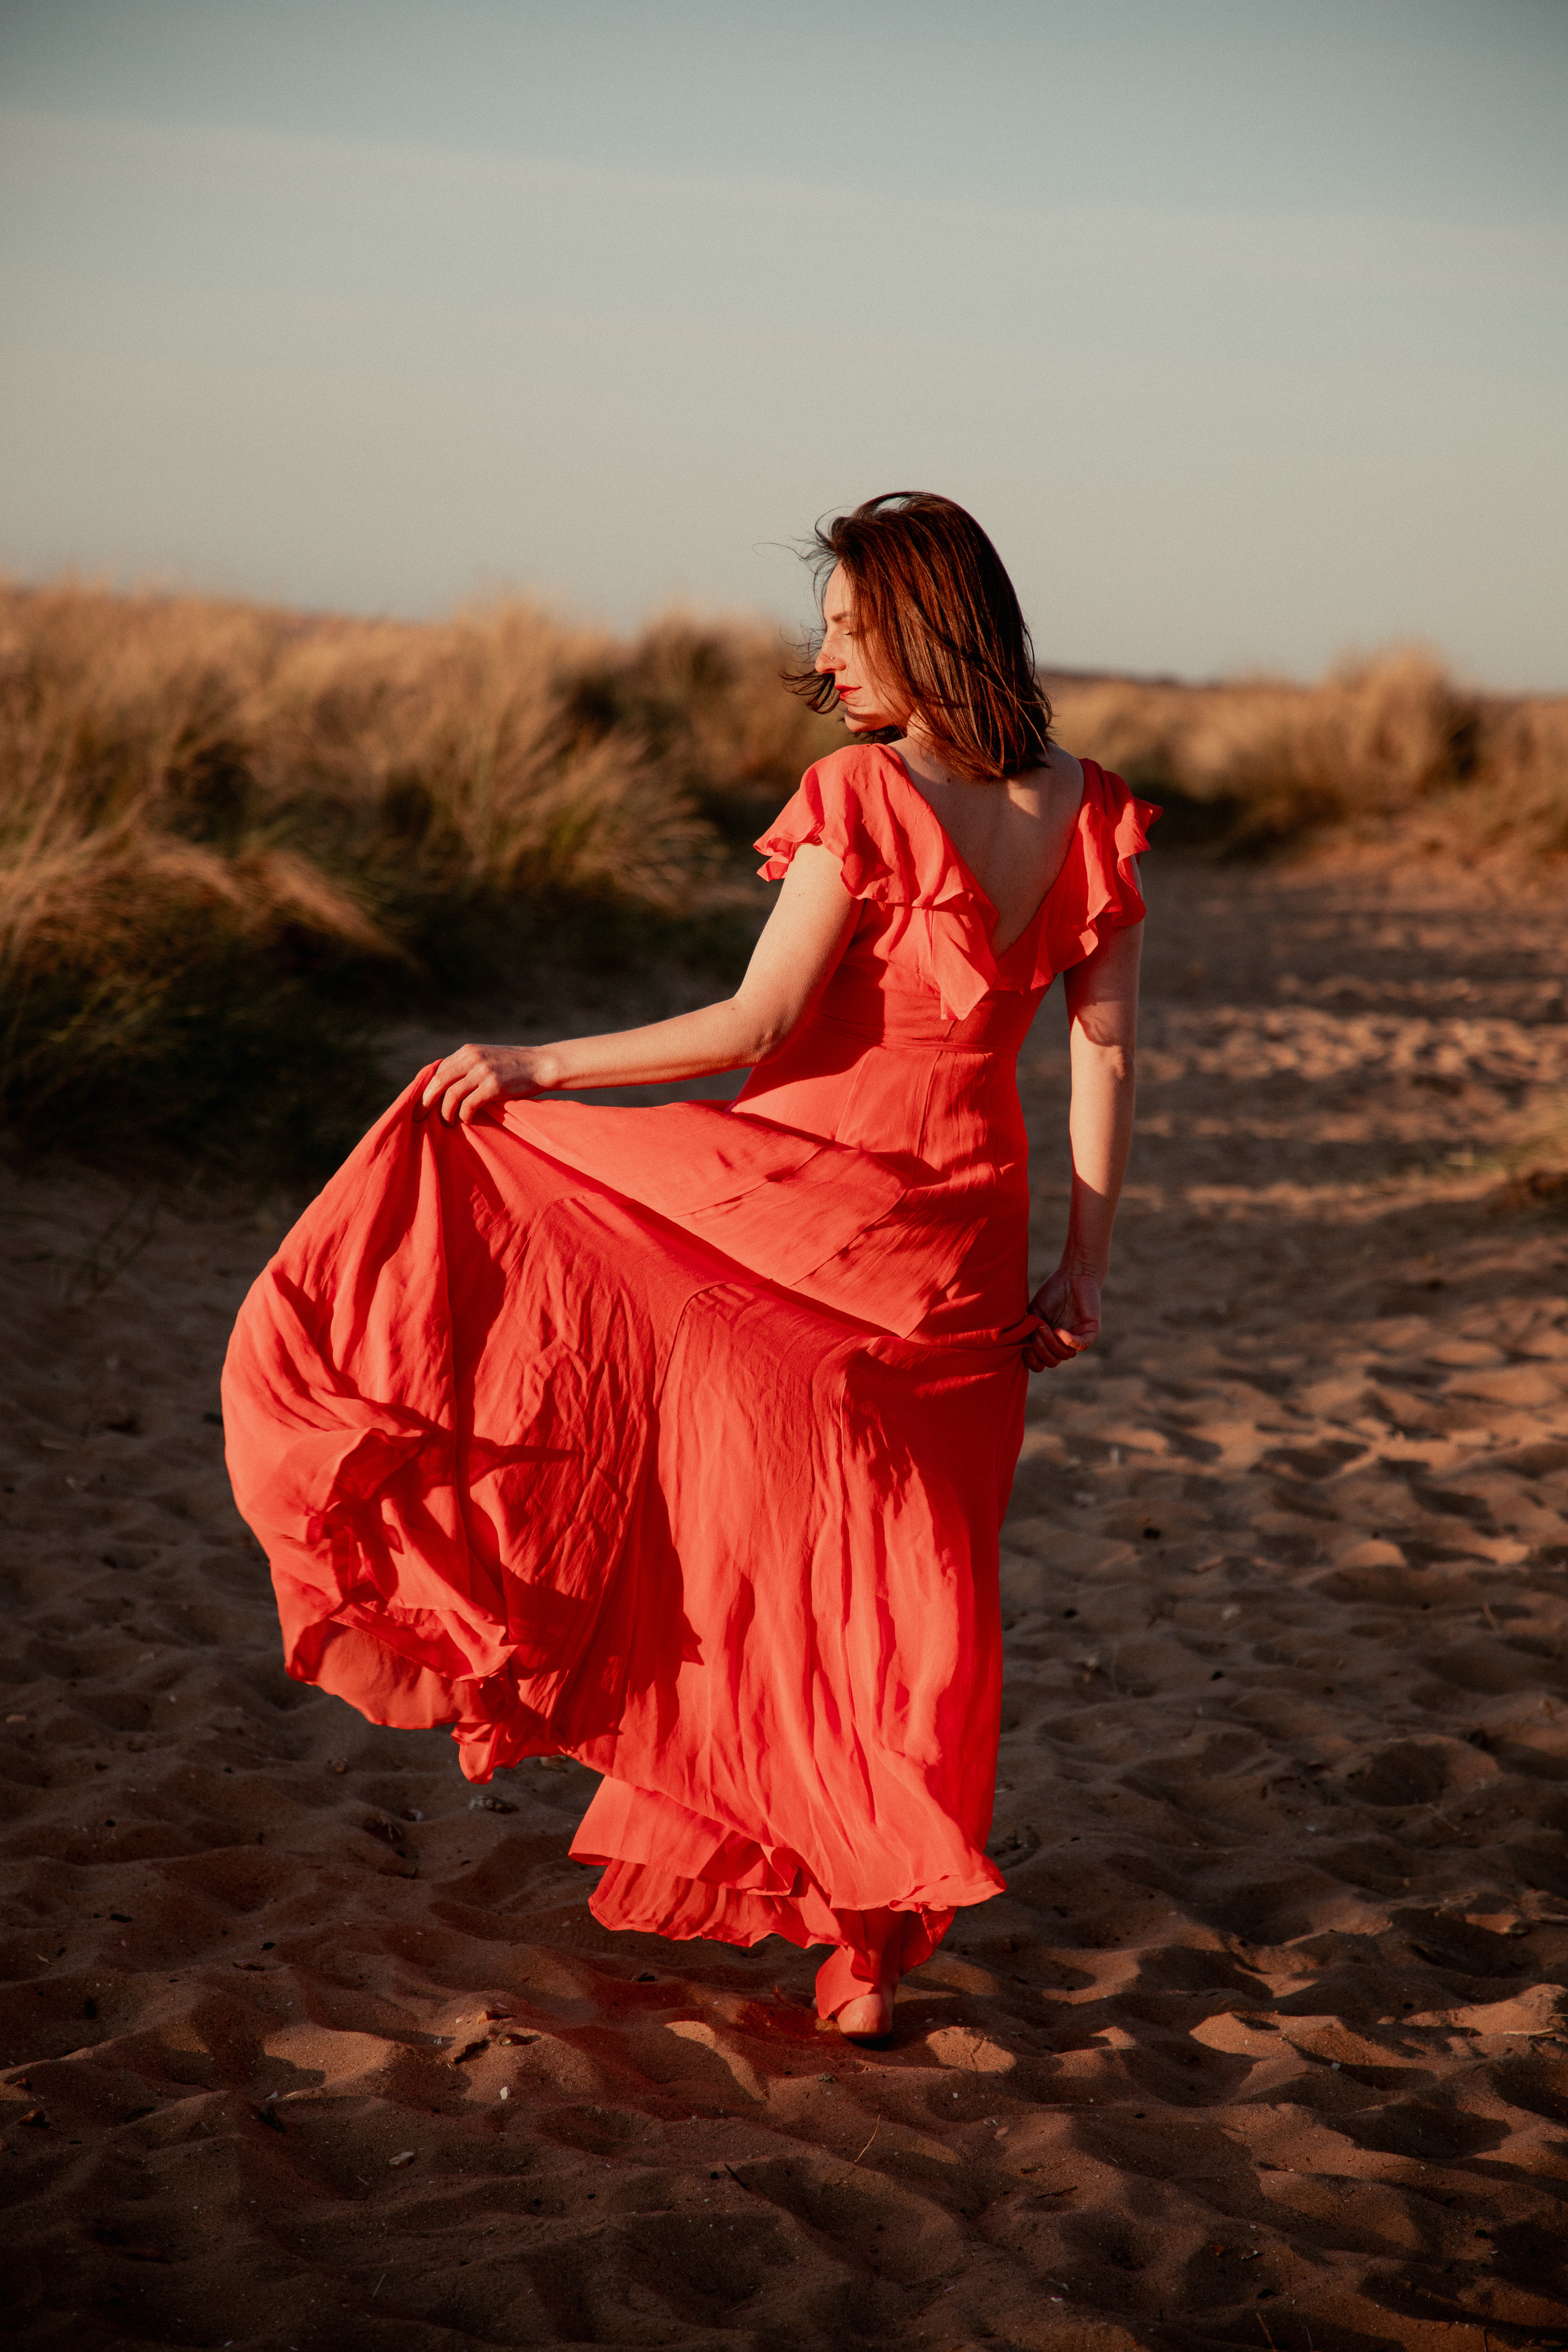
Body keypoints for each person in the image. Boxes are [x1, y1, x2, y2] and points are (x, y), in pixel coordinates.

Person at [222, 492, 1155, 2043]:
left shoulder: (860, 794)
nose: (829, 657)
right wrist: (1083, 1269)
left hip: (800, 1214)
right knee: (903, 1591)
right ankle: (863, 1943)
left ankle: (824, 1883)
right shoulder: (1092, 806)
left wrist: (536, 1065)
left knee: (765, 1566)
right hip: (961, 1245)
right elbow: (1106, 1058)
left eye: (854, 631)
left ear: (927, 631)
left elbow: (754, 1028)